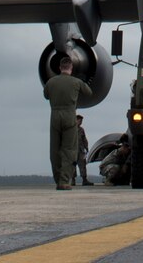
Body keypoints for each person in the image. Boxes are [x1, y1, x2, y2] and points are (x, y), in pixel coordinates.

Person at [42, 54, 94, 190]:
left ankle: (57, 178)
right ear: (71, 68)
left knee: (54, 149)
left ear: (60, 68)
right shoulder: (76, 82)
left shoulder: (51, 82)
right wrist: (81, 81)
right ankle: (64, 181)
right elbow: (89, 92)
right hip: (70, 116)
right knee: (69, 150)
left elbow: (46, 95)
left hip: (54, 116)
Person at [75, 115, 93, 185]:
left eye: (81, 121)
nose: (80, 122)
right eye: (79, 120)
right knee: (72, 165)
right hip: (72, 150)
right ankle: (72, 180)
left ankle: (84, 180)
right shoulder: (71, 129)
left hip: (80, 150)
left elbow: (84, 139)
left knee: (83, 165)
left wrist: (86, 147)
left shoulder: (81, 130)